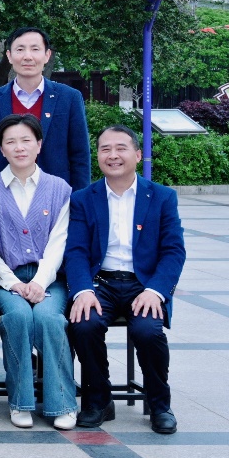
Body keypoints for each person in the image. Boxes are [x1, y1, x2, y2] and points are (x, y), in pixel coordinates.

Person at [66, 126, 186, 435]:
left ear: (138, 154)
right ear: (97, 155)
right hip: (100, 283)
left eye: (121, 148)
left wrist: (156, 290)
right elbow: (76, 251)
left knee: (147, 331)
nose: (113, 155)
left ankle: (160, 405)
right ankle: (98, 400)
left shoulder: (162, 197)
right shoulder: (83, 198)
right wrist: (82, 290)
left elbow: (174, 251)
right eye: (105, 149)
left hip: (143, 284)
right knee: (84, 324)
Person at [0, 114, 77, 430]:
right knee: (18, 317)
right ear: (2, 149)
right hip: (4, 278)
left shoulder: (59, 188)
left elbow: (60, 241)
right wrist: (12, 283)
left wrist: (38, 281)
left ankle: (62, 404)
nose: (19, 147)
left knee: (50, 319)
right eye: (10, 142)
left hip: (49, 278)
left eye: (26, 140)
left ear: (39, 145)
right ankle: (20, 402)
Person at [0, 27, 91, 190]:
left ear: (47, 55)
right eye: (20, 49)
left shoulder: (69, 98)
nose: (27, 56)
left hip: (56, 194)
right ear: (9, 56)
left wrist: (77, 200)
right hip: (3, 194)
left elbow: (80, 156)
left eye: (35, 49)